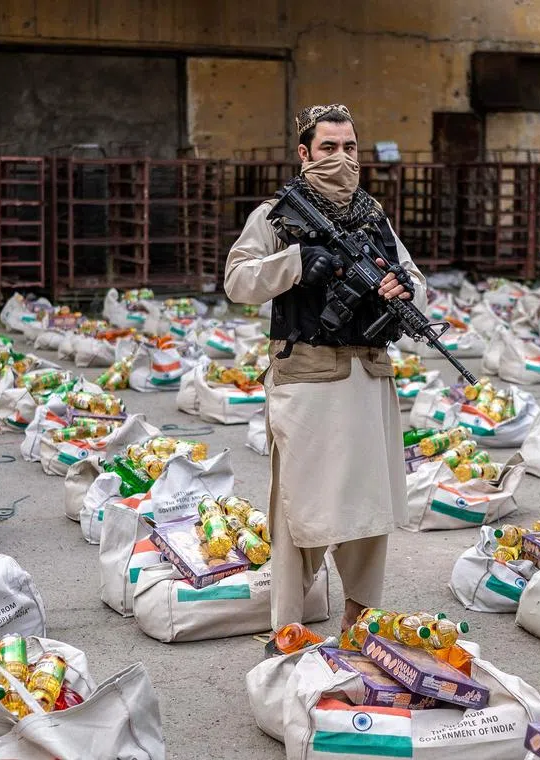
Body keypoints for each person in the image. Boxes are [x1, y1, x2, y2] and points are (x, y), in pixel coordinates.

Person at [223, 104, 427, 633]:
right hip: (307, 382)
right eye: (329, 148)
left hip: (368, 378)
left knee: (369, 506)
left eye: (350, 148)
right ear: (305, 153)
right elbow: (238, 281)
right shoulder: (276, 214)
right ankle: (288, 628)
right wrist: (293, 264)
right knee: (300, 510)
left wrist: (400, 288)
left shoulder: (373, 215)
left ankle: (360, 618)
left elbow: (415, 281)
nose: (342, 159)